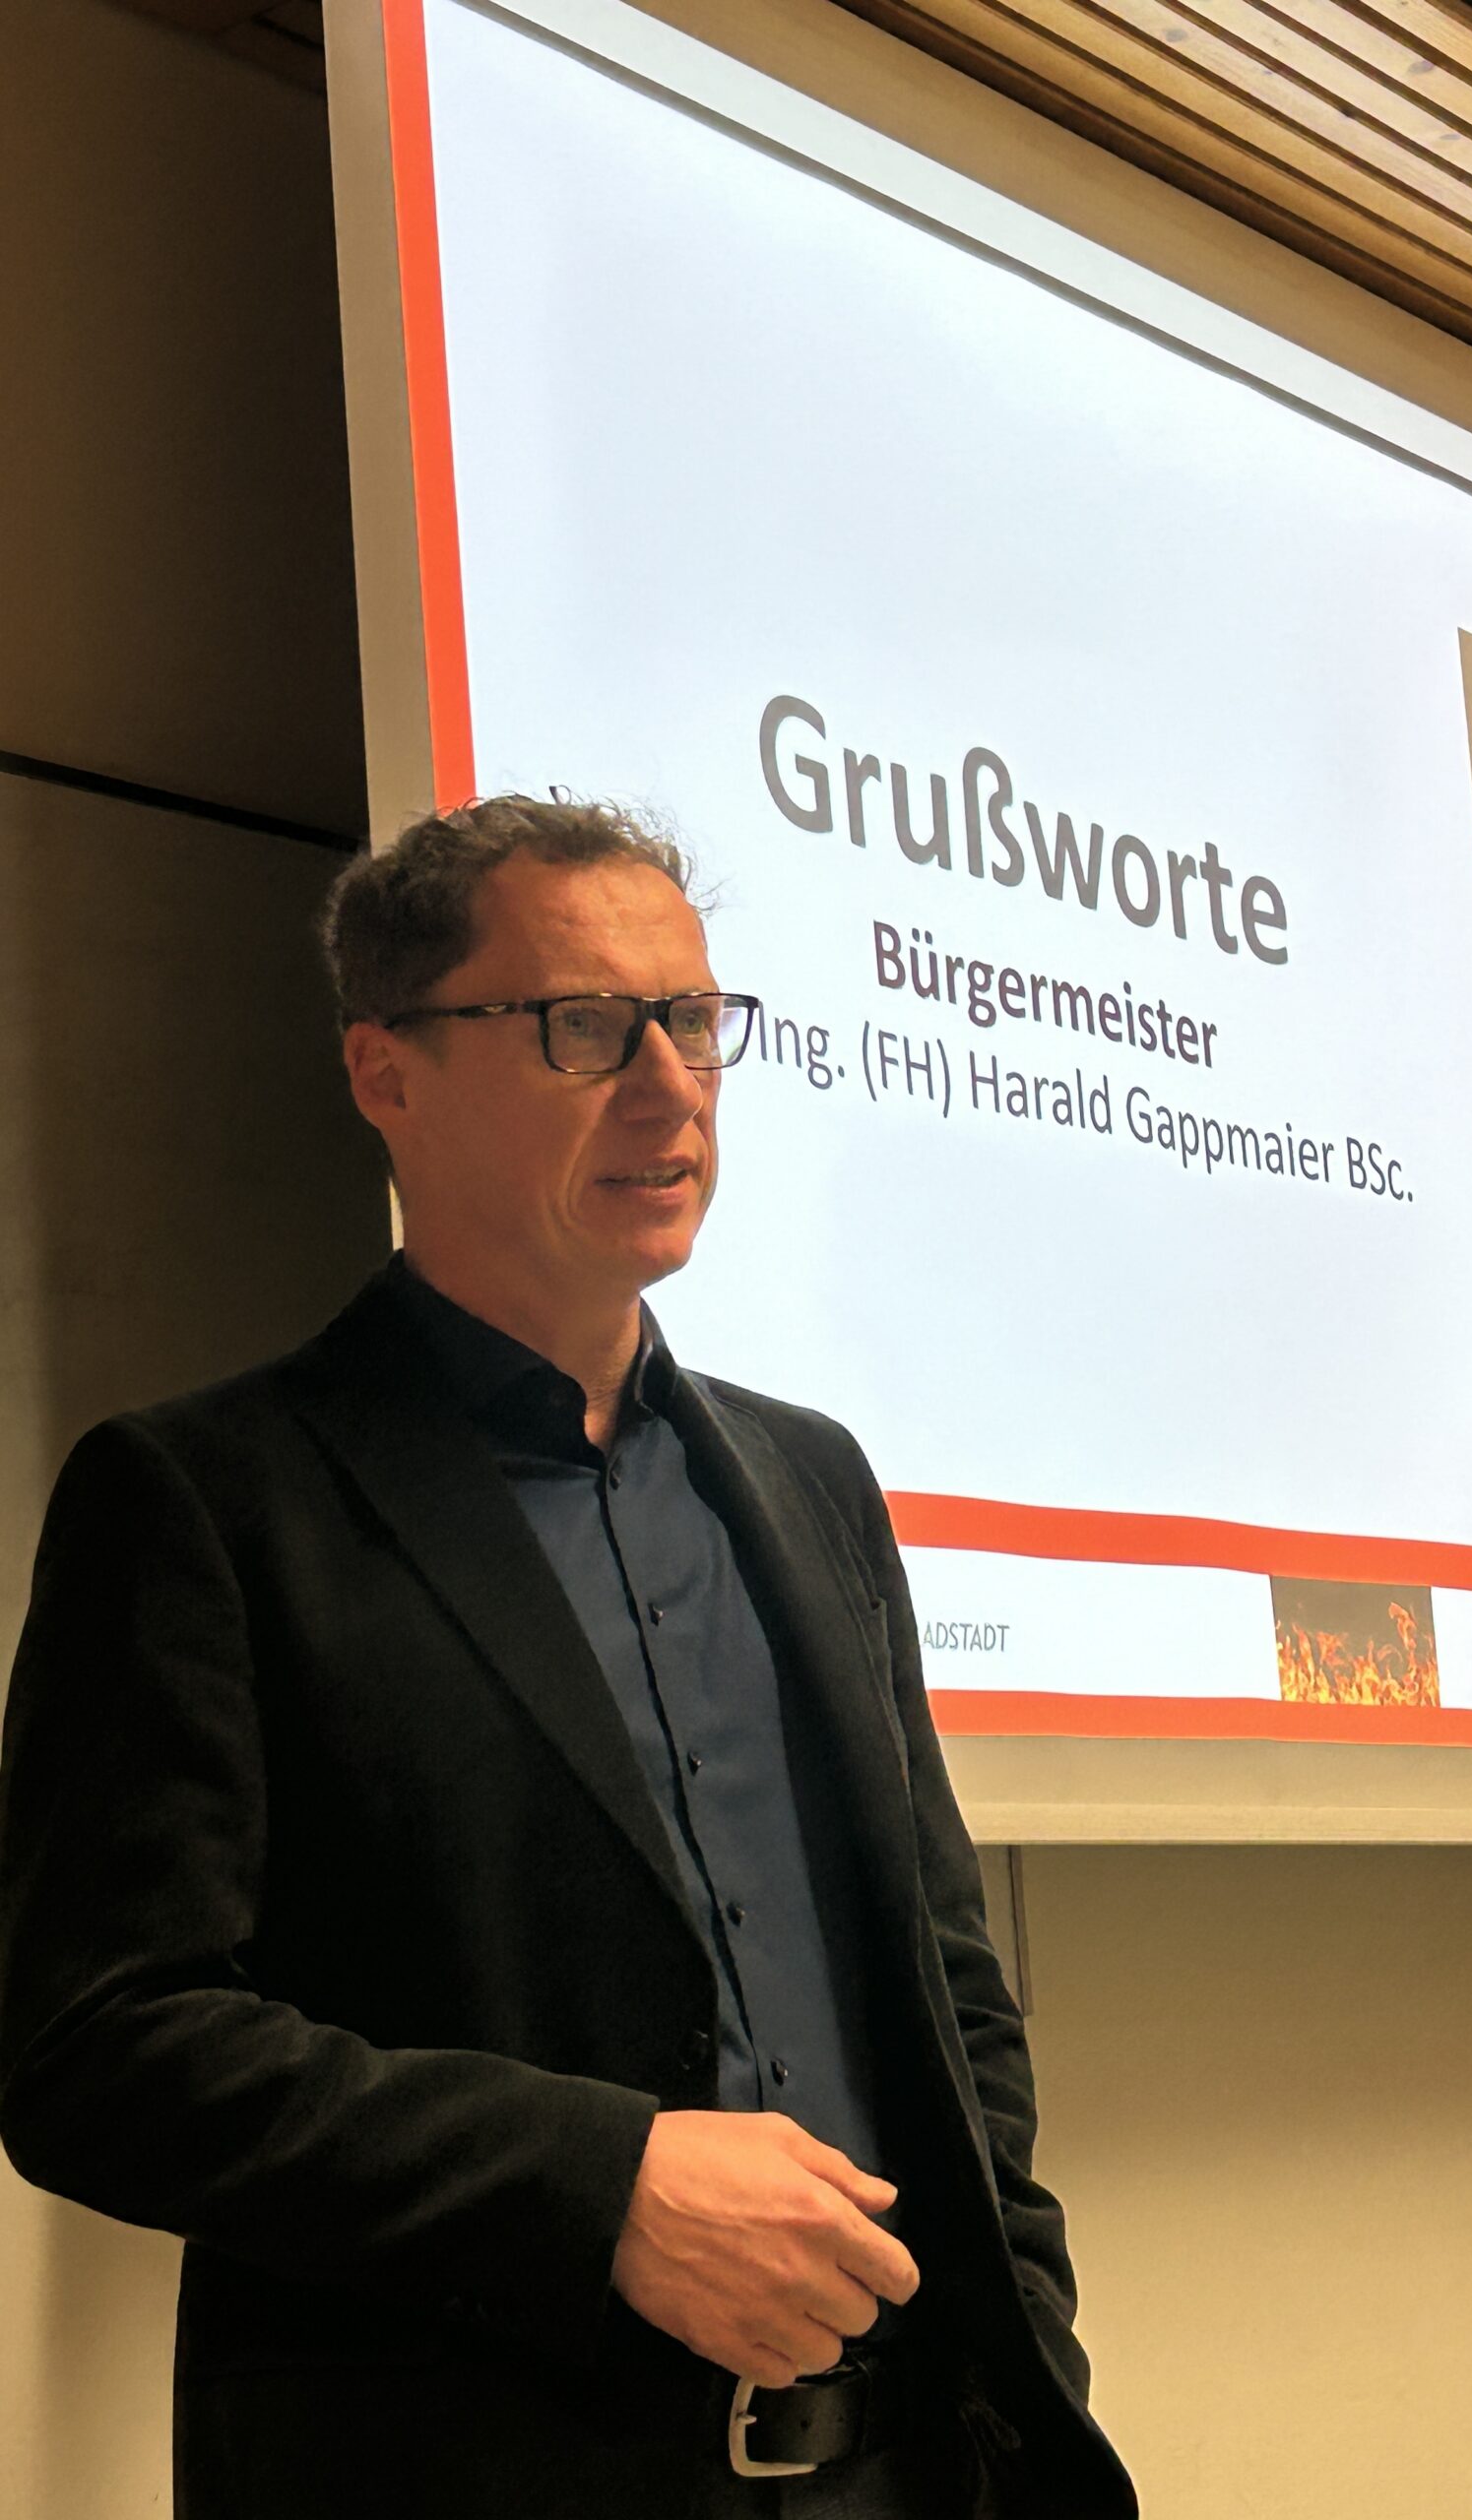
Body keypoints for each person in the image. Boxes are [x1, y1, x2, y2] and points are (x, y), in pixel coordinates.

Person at [0, 795, 1134, 2520]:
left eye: (694, 1020)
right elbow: (100, 2050)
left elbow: (946, 1979)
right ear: (386, 1071)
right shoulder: (205, 1501)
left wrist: (1024, 2342)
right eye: (585, 1026)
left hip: (903, 2478)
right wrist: (598, 2191)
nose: (670, 1086)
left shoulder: (811, 1479)